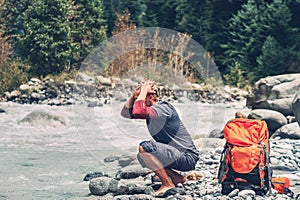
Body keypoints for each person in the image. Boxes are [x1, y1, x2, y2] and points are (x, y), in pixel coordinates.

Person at [121, 80, 199, 195]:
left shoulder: (163, 108)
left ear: (151, 97)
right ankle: (177, 178)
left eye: (142, 97)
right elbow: (125, 113)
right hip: (178, 155)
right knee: (142, 155)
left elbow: (138, 111)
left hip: (187, 157)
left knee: (145, 148)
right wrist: (134, 96)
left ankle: (167, 184)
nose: (139, 100)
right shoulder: (150, 111)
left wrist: (144, 90)